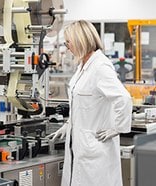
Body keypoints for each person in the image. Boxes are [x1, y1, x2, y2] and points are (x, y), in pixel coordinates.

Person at [47, 20, 132, 186]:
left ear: (80, 40)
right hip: (80, 147)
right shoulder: (83, 66)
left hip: (95, 150)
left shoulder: (100, 67)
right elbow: (83, 105)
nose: (67, 46)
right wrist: (69, 125)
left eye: (68, 42)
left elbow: (124, 98)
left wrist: (118, 128)